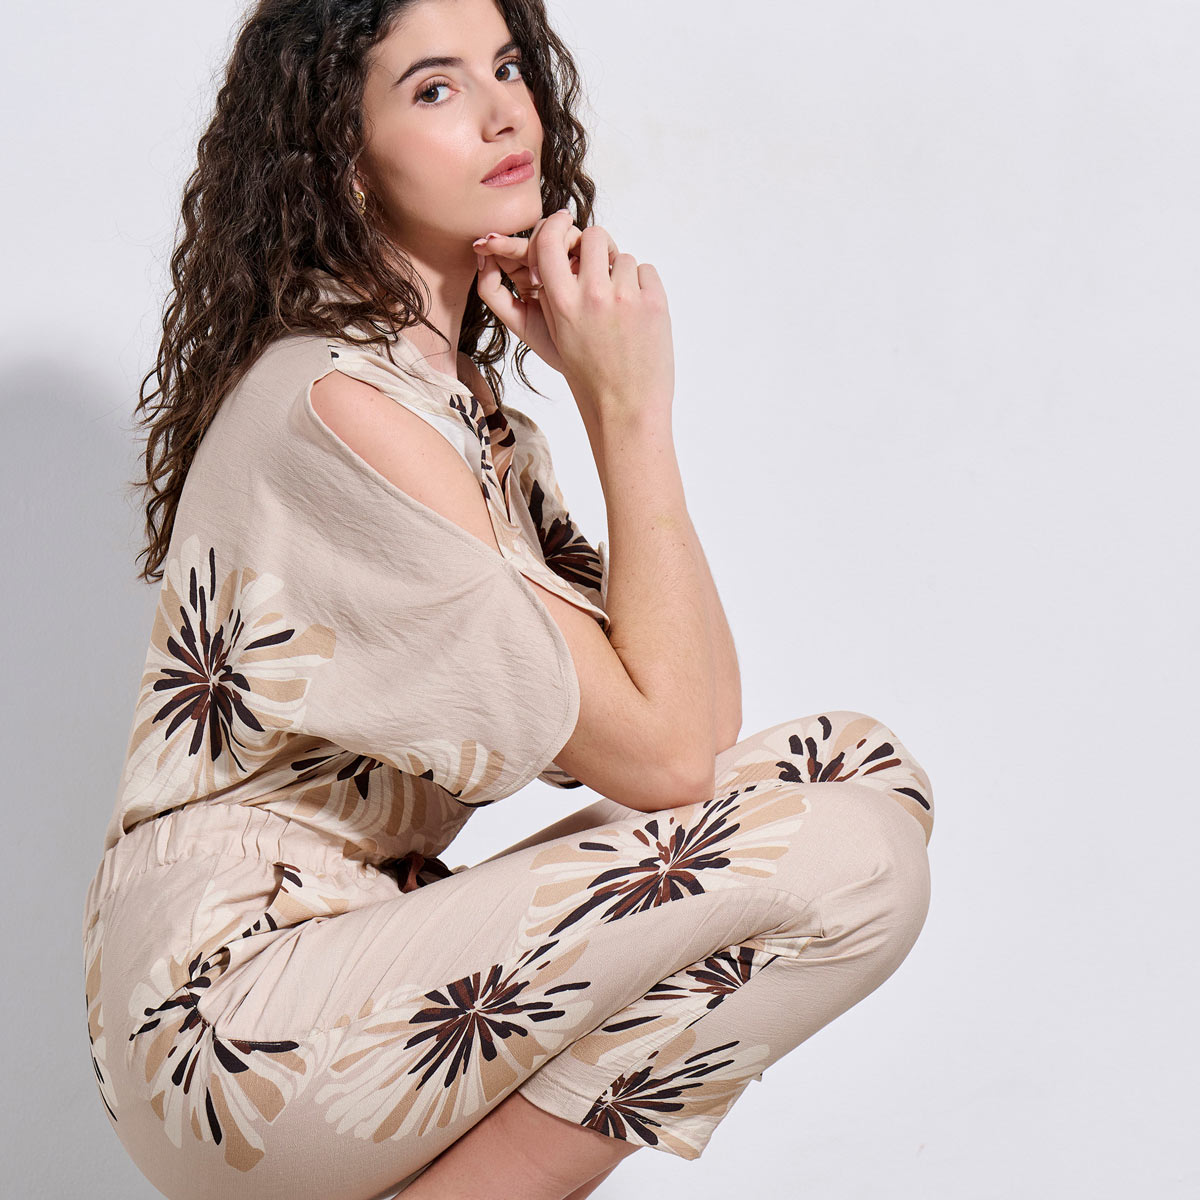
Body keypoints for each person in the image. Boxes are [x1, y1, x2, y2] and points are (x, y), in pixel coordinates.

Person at [80, 2, 937, 1198]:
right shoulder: (342, 410)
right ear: (341, 151)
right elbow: (666, 757)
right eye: (434, 88)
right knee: (849, 857)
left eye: (509, 67)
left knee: (860, 768)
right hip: (232, 1007)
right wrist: (633, 409)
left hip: (354, 948)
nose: (503, 114)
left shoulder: (454, 405)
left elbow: (687, 723)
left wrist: (606, 402)